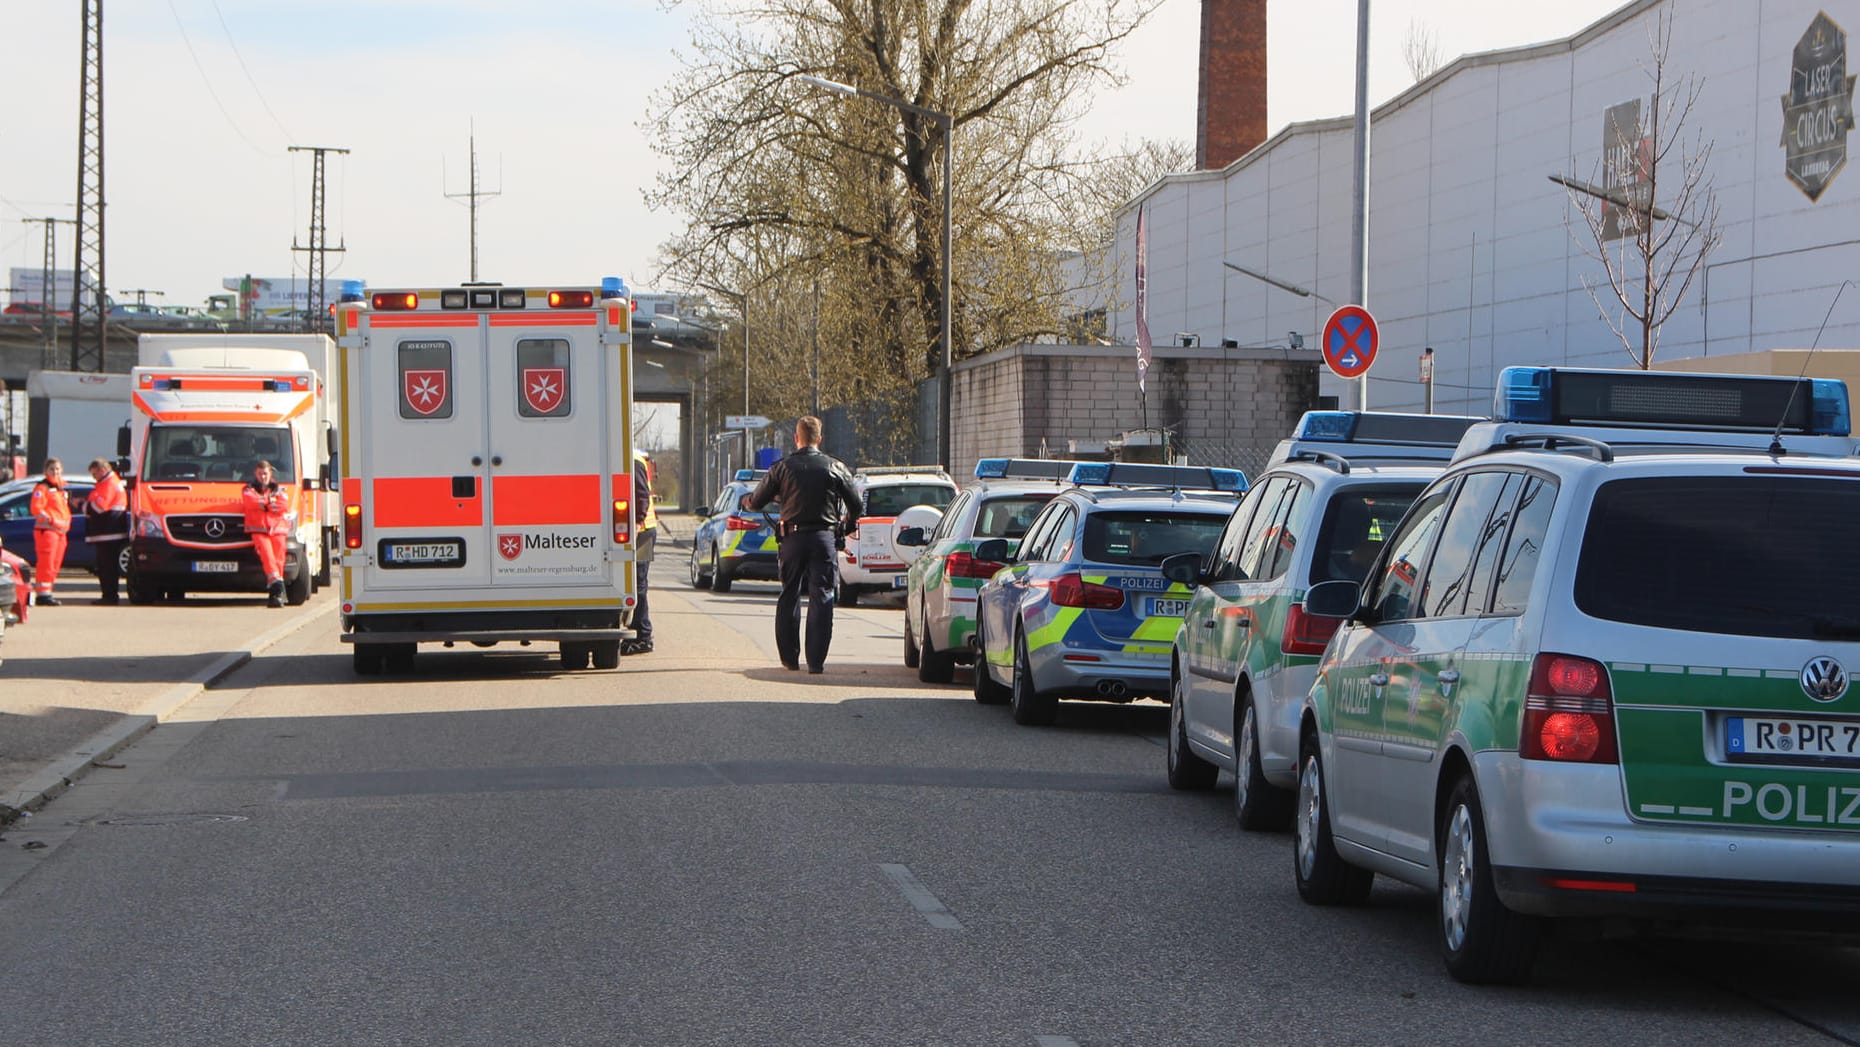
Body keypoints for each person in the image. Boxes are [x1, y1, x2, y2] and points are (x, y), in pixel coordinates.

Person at [741, 416, 863, 673]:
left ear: (797, 439)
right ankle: (816, 662)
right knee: (822, 595)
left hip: (792, 538)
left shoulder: (782, 468)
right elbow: (856, 505)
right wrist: (847, 526)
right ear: (820, 439)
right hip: (824, 539)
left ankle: (789, 658)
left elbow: (757, 502)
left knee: (790, 594)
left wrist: (748, 501)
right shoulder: (836, 467)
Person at [622, 449, 658, 655]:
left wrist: (636, 521)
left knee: (639, 584)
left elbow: (642, 493)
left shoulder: (633, 459)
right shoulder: (633, 457)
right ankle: (640, 632)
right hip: (641, 530)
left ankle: (643, 637)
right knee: (636, 584)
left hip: (643, 532)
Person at [242, 459, 290, 608]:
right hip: (259, 530)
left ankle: (277, 592)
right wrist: (270, 502)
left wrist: (264, 503)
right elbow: (250, 502)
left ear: (270, 473)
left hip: (278, 530)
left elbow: (282, 505)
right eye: (260, 473)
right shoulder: (248, 488)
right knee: (268, 557)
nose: (263, 477)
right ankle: (278, 588)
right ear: (255, 474)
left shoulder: (280, 489)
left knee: (279, 560)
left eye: (265, 473)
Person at [85, 458, 130, 605]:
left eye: (94, 474)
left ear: (102, 470)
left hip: (108, 533)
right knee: (107, 566)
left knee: (107, 567)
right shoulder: (111, 483)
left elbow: (99, 507)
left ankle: (109, 596)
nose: (94, 478)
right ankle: (109, 595)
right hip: (110, 532)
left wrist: (85, 506)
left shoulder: (108, 484)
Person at [29, 459, 71, 606]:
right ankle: (43, 594)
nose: (55, 472)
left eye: (58, 469)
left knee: (55, 564)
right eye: (52, 469)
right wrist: (51, 520)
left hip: (60, 532)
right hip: (47, 531)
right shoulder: (43, 487)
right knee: (46, 563)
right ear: (46, 471)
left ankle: (48, 591)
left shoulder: (60, 489)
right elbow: (36, 509)